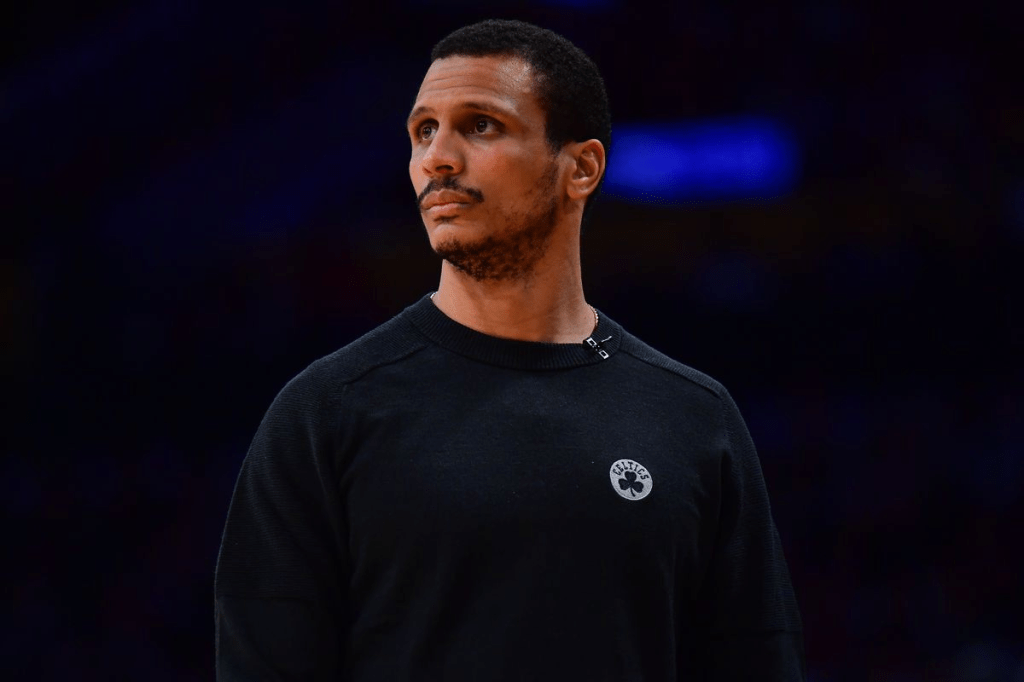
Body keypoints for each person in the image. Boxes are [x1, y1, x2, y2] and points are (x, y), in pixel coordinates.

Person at [215, 18, 805, 681]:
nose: (437, 157)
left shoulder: (695, 418)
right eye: (423, 131)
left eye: (481, 126)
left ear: (580, 168)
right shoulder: (323, 416)